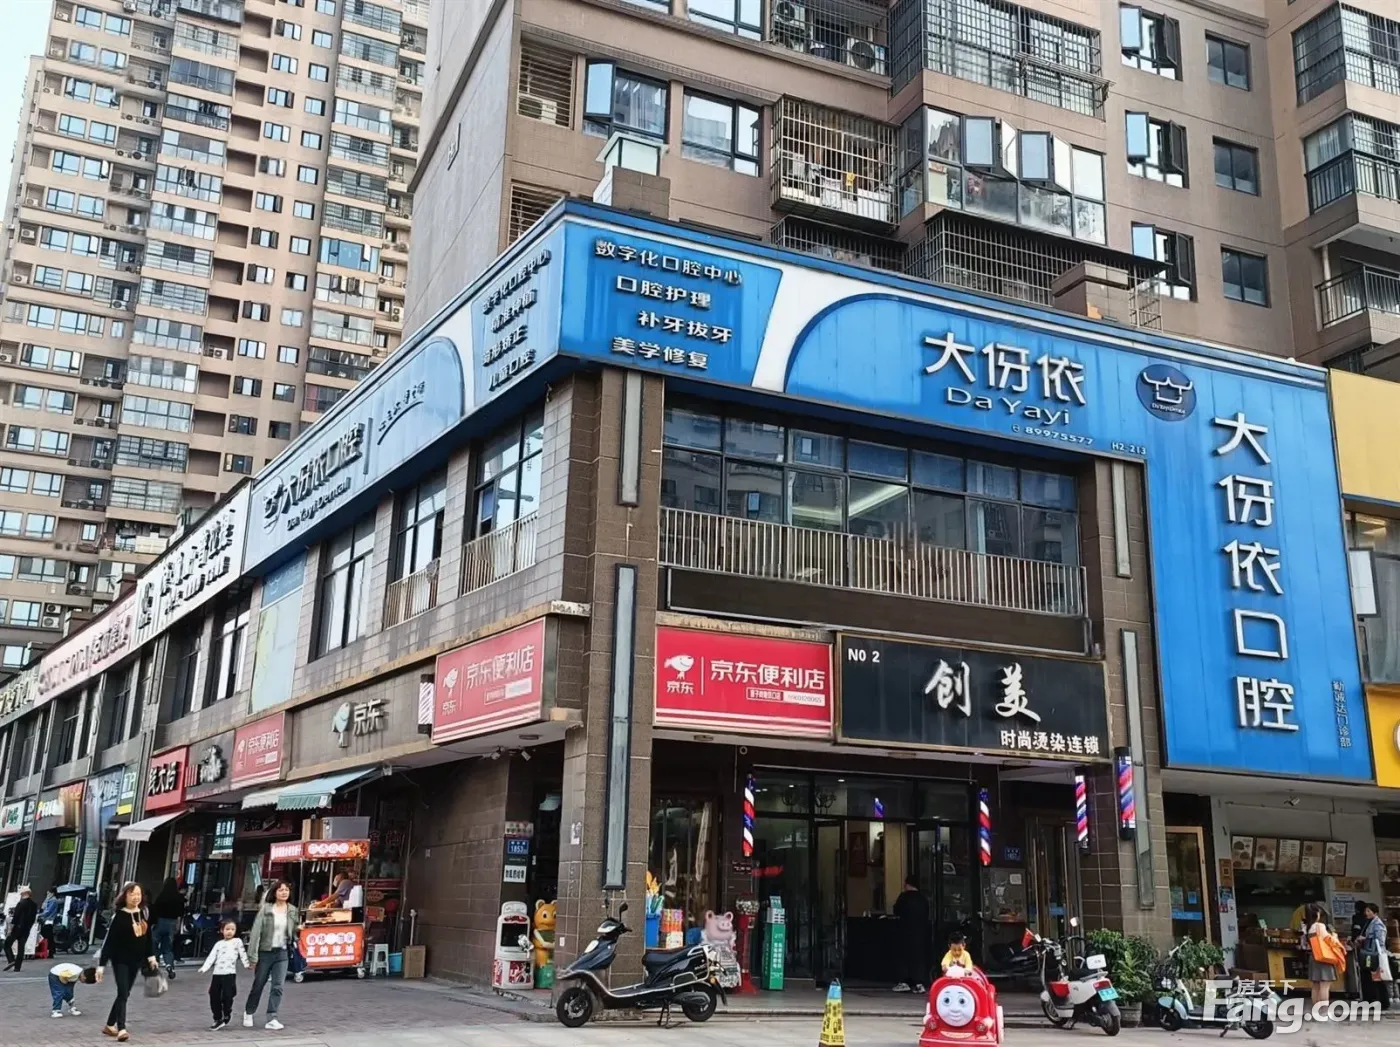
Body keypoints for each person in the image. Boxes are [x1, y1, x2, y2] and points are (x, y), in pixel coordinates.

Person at [96, 881, 159, 1042]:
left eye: (138, 894)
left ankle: (109, 1025)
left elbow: (148, 938)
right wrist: (101, 966)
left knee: (124, 993)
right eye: (132, 894)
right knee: (123, 992)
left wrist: (151, 957)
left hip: (136, 960)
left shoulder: (143, 913)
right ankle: (122, 1028)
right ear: (125, 896)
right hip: (120, 960)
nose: (136, 897)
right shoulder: (119, 916)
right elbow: (109, 942)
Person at [243, 880, 300, 1031]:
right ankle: (249, 1011)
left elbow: (293, 931)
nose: (284, 892)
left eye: (286, 890)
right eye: (280, 890)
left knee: (278, 986)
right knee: (259, 984)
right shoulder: (266, 909)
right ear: (274, 893)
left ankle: (272, 1017)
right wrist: (252, 956)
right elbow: (256, 933)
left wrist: (297, 932)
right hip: (265, 952)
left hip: (282, 952)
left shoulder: (292, 910)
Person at [200, 919, 251, 1031]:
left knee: (227, 996)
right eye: (227, 929)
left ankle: (227, 1013)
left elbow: (242, 954)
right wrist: (205, 967)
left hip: (229, 974)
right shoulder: (218, 944)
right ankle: (218, 1018)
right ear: (222, 930)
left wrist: (247, 964)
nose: (230, 931)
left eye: (232, 929)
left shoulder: (237, 941)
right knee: (214, 995)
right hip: (217, 974)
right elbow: (212, 956)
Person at [892, 876, 931, 994]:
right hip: (920, 933)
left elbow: (896, 911)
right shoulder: (923, 899)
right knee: (918, 958)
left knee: (904, 957)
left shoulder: (904, 897)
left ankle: (904, 982)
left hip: (905, 932)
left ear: (907, 884)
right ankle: (919, 984)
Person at [1303, 902, 1342, 1013]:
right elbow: (1330, 941)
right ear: (1317, 914)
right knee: (1325, 986)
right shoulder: (1320, 926)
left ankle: (1315, 1010)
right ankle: (1324, 1011)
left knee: (1315, 986)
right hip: (1324, 958)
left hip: (1314, 957)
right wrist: (1335, 936)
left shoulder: (1307, 927)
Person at [1358, 901, 1393, 1012]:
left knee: (1376, 979)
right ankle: (1373, 1001)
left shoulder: (1378, 924)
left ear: (1375, 912)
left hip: (1375, 955)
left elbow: (1380, 940)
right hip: (1370, 954)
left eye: (1369, 911)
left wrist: (1366, 939)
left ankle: (1380, 1002)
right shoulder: (1370, 922)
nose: (1366, 913)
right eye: (1366, 911)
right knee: (1372, 978)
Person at [151, 878, 185, 979]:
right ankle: (169, 965)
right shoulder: (178, 898)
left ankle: (154, 966)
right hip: (172, 923)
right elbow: (180, 914)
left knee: (154, 945)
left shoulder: (161, 897)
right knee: (167, 948)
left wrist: (152, 923)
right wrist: (178, 926)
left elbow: (154, 911)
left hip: (159, 922)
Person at [4, 886, 38, 972]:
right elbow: (33, 918)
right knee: (21, 947)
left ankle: (11, 960)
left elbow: (16, 917)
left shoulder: (21, 903)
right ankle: (17, 967)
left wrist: (10, 929)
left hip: (17, 927)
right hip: (26, 929)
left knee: (7, 944)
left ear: (24, 893)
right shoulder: (34, 905)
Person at [39, 889, 61, 955]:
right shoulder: (48, 900)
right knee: (48, 936)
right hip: (46, 919)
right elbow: (43, 907)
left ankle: (51, 950)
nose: (47, 895)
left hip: (49, 919)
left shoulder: (53, 900)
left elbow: (48, 911)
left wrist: (40, 915)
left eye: (48, 893)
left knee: (48, 936)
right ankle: (50, 950)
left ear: (52, 893)